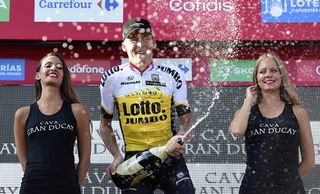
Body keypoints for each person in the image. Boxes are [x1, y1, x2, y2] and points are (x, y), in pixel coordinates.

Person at [99, 17, 195, 193]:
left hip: (169, 155)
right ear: (124, 46)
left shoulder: (173, 74)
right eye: (133, 39)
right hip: (135, 159)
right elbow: (104, 126)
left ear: (153, 43)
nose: (140, 44)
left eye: (145, 38)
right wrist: (116, 156)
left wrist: (179, 138)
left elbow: (187, 121)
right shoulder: (111, 78)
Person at [229, 51, 315, 194]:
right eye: (262, 72)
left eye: (273, 71)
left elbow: (309, 162)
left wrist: (286, 181)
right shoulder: (245, 111)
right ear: (257, 79)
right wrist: (248, 100)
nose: (268, 75)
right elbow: (237, 130)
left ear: (281, 76)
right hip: (253, 189)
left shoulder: (298, 112)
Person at [13, 52, 91, 194]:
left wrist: (75, 186)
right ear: (38, 75)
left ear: (63, 76)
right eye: (48, 65)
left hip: (66, 186)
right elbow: (25, 162)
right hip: (32, 186)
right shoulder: (22, 114)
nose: (54, 68)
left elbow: (85, 159)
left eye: (59, 67)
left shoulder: (78, 111)